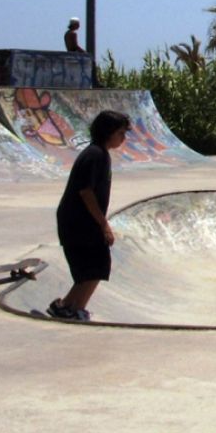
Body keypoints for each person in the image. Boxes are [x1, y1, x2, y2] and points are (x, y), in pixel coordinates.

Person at [47, 110, 131, 321]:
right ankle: (73, 309)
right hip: (79, 221)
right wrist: (104, 225)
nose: (123, 138)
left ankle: (67, 306)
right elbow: (86, 192)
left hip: (78, 220)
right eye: (121, 133)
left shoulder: (98, 153)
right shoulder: (96, 155)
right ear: (108, 132)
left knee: (92, 268)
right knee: (95, 266)